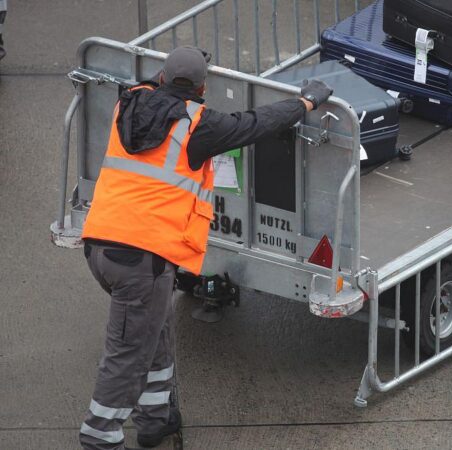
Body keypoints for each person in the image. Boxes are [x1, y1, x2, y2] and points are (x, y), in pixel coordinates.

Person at [78, 46, 332, 450]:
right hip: (141, 259)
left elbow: (156, 92)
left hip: (103, 249)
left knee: (155, 331)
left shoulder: (128, 104)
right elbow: (257, 123)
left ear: (160, 79)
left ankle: (155, 420)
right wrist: (307, 101)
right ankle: (99, 436)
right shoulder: (199, 127)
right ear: (202, 88)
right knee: (127, 353)